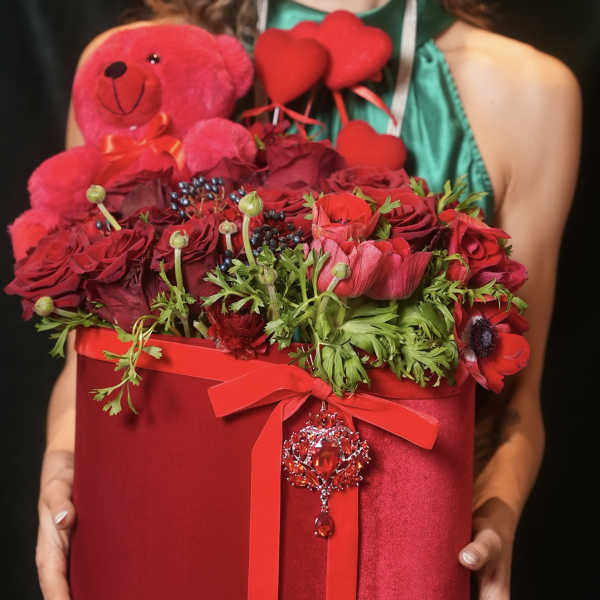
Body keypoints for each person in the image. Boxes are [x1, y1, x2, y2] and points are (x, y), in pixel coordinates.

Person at [35, 1, 581, 599]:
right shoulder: (140, 66)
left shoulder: (528, 94)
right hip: (176, 533)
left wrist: (497, 509)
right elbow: (89, 352)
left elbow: (517, 403)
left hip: (390, 557)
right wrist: (64, 458)